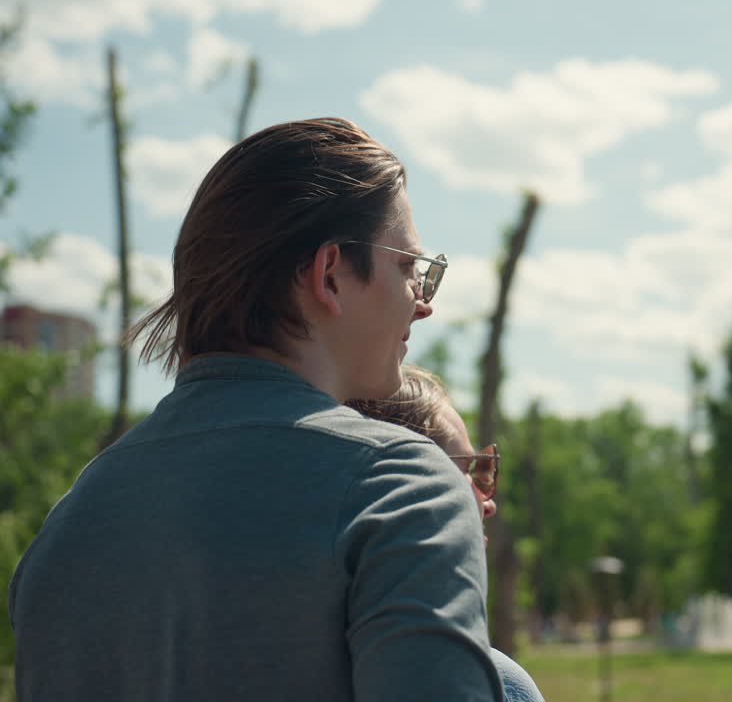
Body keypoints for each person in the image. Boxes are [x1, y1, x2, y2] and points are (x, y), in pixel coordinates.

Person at [8, 118, 501, 701]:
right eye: (407, 268)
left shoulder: (69, 525)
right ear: (330, 275)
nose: (422, 305)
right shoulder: (399, 489)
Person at [349, 366, 545, 702]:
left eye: (484, 469)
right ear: (402, 480)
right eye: (466, 471)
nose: (488, 503)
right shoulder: (499, 683)